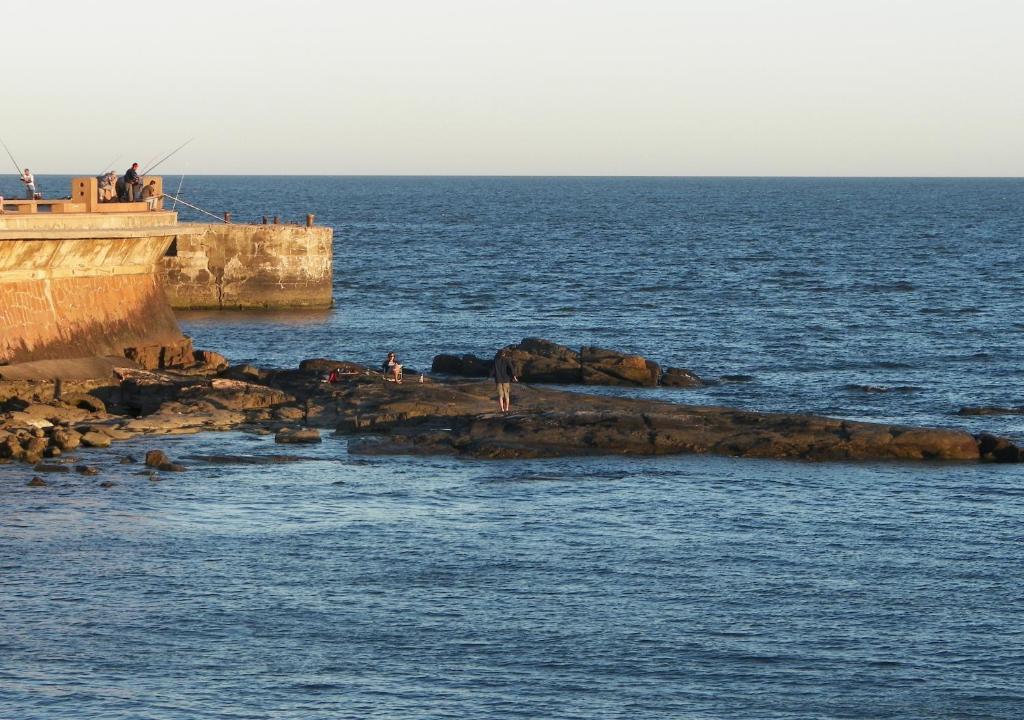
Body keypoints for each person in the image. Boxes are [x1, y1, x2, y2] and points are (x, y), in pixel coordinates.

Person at [490, 348, 518, 413]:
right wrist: (514, 377)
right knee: (507, 395)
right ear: (504, 354)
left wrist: (490, 376)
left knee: (500, 396)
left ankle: (502, 409)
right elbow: (511, 369)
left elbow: (493, 370)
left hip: (498, 380)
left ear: (499, 354)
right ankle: (507, 408)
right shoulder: (507, 360)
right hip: (506, 379)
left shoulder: (496, 360)